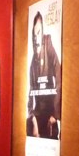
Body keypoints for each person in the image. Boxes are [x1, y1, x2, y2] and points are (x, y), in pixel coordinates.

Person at [27, 11, 61, 139]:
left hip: (50, 116)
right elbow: (30, 94)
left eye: (39, 32)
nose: (36, 38)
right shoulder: (32, 63)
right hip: (38, 117)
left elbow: (59, 77)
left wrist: (55, 114)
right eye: (34, 34)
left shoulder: (48, 44)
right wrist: (32, 118)